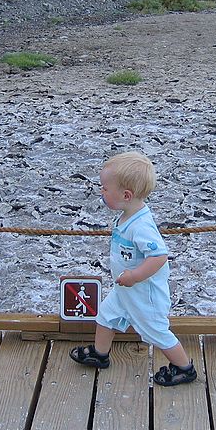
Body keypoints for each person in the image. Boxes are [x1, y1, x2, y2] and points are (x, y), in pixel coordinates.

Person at [69, 151, 197, 386]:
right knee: (106, 315)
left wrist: (135, 275)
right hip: (125, 290)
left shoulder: (141, 226)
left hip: (143, 295)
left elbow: (159, 256)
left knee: (156, 332)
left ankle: (184, 367)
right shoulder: (127, 216)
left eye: (105, 188)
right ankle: (100, 353)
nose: (101, 192)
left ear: (126, 195)